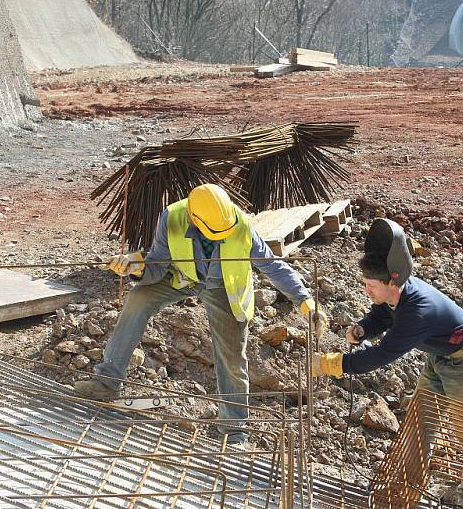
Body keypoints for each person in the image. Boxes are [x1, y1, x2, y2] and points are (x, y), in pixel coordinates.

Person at [75, 183, 328, 444]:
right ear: (194, 219)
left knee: (231, 355)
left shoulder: (239, 226)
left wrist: (305, 302)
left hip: (223, 287)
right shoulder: (172, 217)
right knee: (138, 298)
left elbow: (273, 267)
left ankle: (234, 431)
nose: (222, 236)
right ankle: (107, 382)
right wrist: (134, 266)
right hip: (182, 277)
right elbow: (156, 267)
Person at [311, 218, 463, 509]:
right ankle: (410, 486)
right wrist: (363, 328)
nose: (367, 291)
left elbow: (381, 355)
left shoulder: (417, 311)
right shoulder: (398, 292)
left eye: (372, 286)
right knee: (420, 424)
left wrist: (333, 364)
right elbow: (383, 313)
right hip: (441, 357)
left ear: (392, 282)